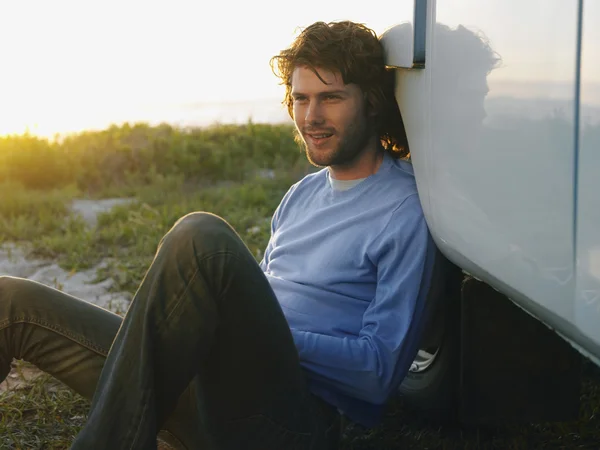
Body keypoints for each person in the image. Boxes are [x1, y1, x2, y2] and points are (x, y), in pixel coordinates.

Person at [0, 21, 434, 450]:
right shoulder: (302, 194)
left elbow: (377, 373)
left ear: (372, 102)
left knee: (200, 239)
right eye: (301, 98)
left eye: (331, 98)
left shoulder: (404, 209)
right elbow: (263, 297)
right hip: (214, 390)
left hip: (291, 420)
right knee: (11, 302)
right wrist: (228, 333)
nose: (311, 116)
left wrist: (256, 334)